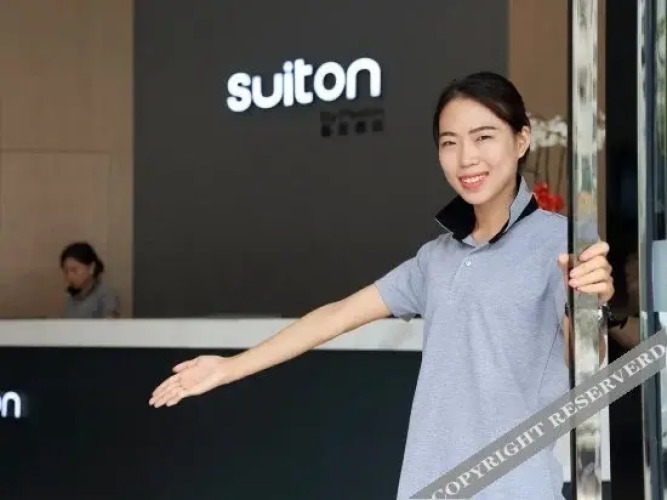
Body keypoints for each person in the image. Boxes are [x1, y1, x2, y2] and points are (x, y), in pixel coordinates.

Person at [148, 72, 617, 499]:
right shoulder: (436, 258)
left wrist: (593, 304)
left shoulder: (562, 241)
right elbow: (336, 316)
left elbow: (584, 358)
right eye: (449, 142)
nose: (466, 158)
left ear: (521, 140)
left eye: (483, 137)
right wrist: (229, 367)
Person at [60, 242, 120, 319]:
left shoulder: (107, 295)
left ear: (91, 268)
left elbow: (111, 324)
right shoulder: (71, 296)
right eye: (66, 272)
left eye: (74, 270)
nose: (69, 276)